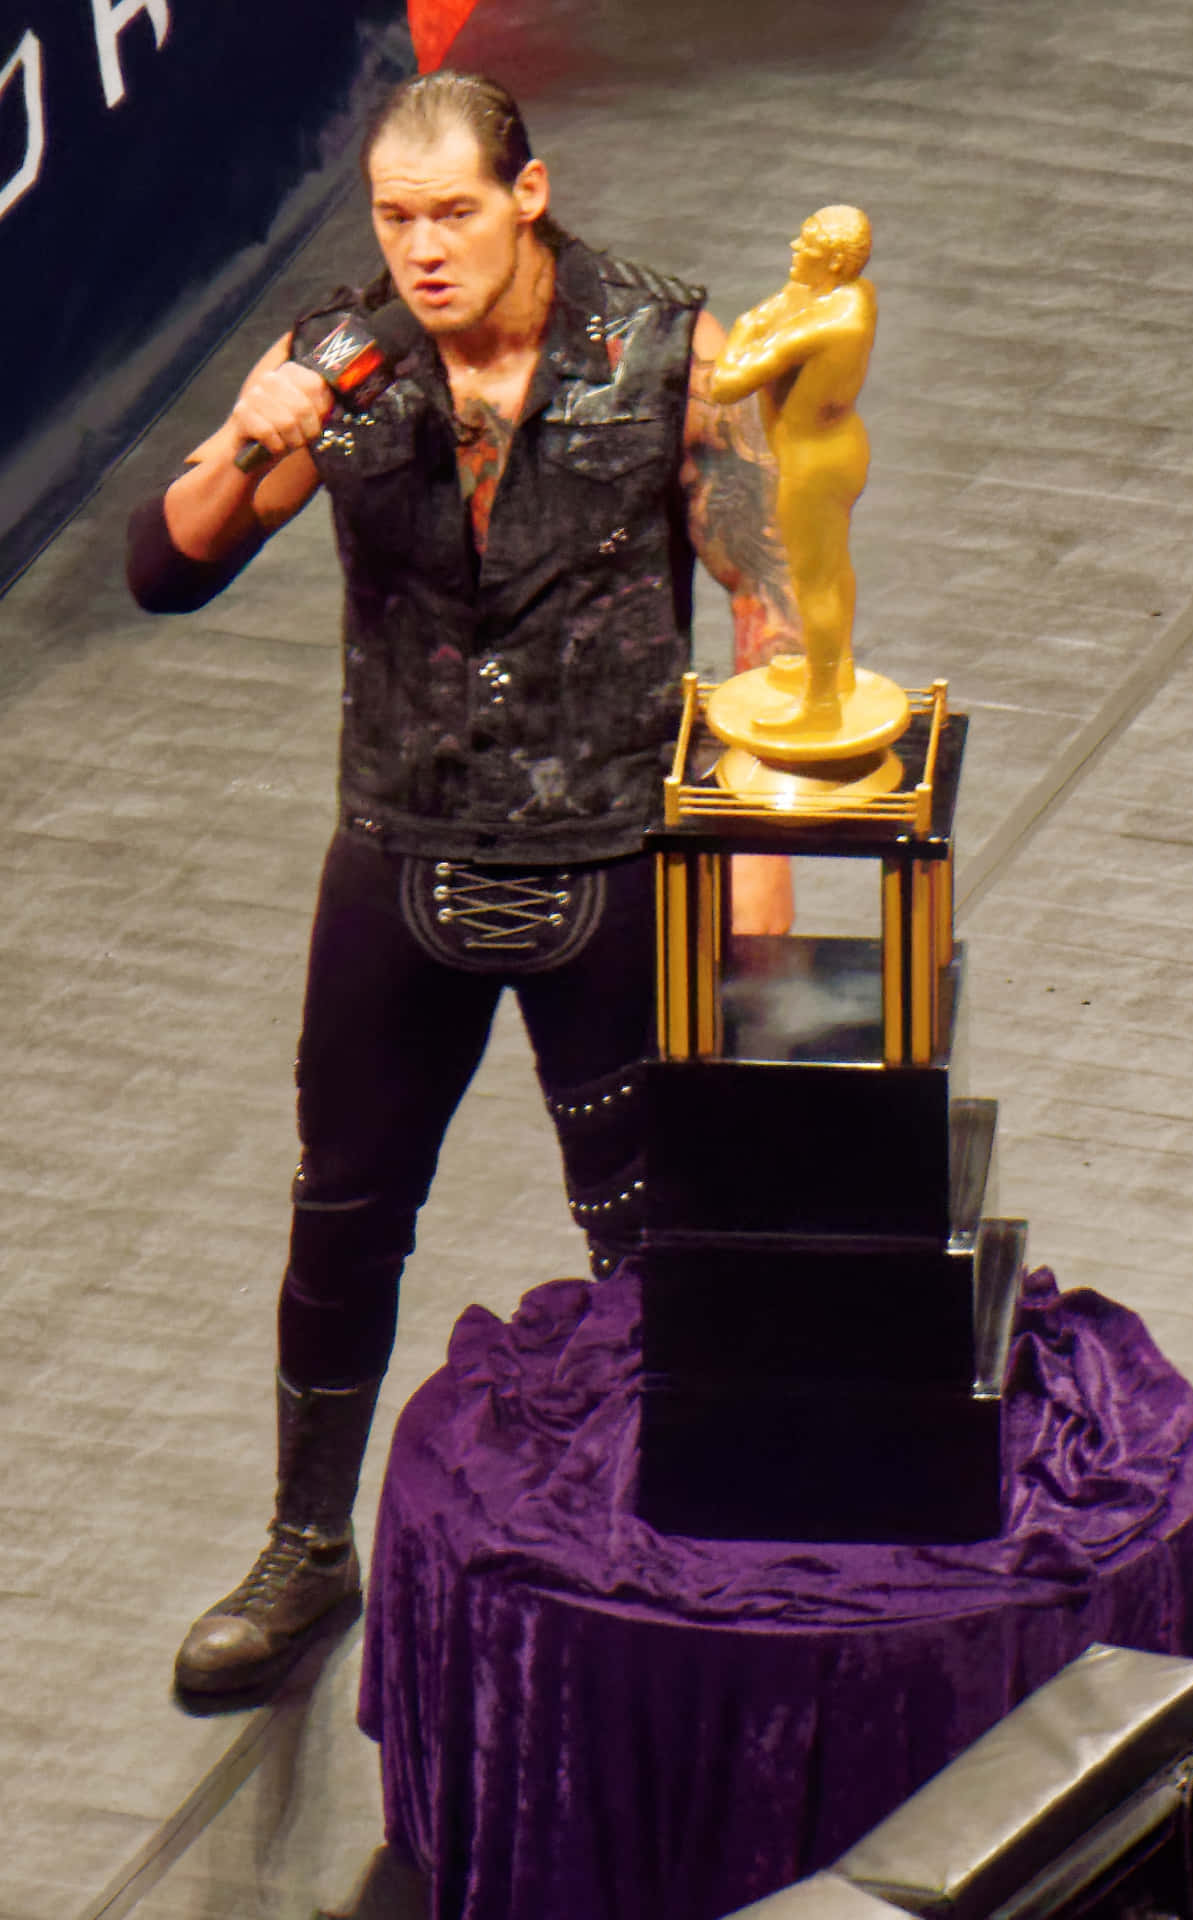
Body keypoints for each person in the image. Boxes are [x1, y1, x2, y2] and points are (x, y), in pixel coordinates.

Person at [127, 69, 800, 1700]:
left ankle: (681, 1542)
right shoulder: (339, 360)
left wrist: (759, 883)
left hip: (617, 854)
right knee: (342, 1214)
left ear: (528, 196)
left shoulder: (674, 360)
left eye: (450, 215)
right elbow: (164, 570)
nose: (421, 251)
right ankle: (305, 1546)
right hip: (404, 846)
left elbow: (773, 624)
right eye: (394, 218)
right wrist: (243, 436)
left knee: (652, 1225)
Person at [711, 205, 876, 739]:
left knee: (813, 581)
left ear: (831, 261)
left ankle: (821, 705)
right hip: (826, 451)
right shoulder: (845, 293)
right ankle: (835, 668)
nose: (793, 250)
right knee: (829, 569)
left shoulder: (833, 320)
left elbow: (726, 383)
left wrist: (741, 329)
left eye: (805, 245)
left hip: (816, 464)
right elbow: (779, 307)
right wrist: (762, 323)